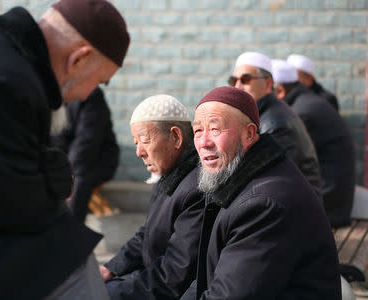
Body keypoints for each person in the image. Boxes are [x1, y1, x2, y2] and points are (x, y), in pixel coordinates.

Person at [0, 0, 130, 298]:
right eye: (101, 81)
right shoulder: (2, 81)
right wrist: (53, 179)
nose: (88, 93)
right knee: (74, 263)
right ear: (79, 59)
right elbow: (13, 205)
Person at [181, 86, 341, 299]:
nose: (203, 142)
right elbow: (205, 283)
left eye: (215, 129)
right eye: (198, 130)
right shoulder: (237, 178)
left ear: (249, 134)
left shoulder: (264, 204)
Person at [100, 95, 204, 300]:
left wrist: (111, 292)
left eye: (145, 140)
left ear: (176, 137)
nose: (139, 152)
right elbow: (148, 234)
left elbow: (175, 274)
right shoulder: (170, 174)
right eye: (136, 142)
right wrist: (111, 269)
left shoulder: (196, 188)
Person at [272, 59, 355, 228]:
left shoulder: (302, 111)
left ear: (279, 91)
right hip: (334, 200)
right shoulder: (306, 101)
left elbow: (284, 166)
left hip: (328, 206)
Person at [228, 51, 322, 198]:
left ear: (268, 83)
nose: (237, 86)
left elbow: (266, 176)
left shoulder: (276, 123)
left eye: (246, 79)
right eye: (233, 80)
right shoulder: (262, 113)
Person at [52, 87, 120, 223]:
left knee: (79, 179)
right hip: (67, 160)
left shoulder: (91, 93)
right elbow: (54, 139)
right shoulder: (52, 94)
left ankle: (70, 233)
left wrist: (67, 173)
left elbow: (87, 141)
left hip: (97, 160)